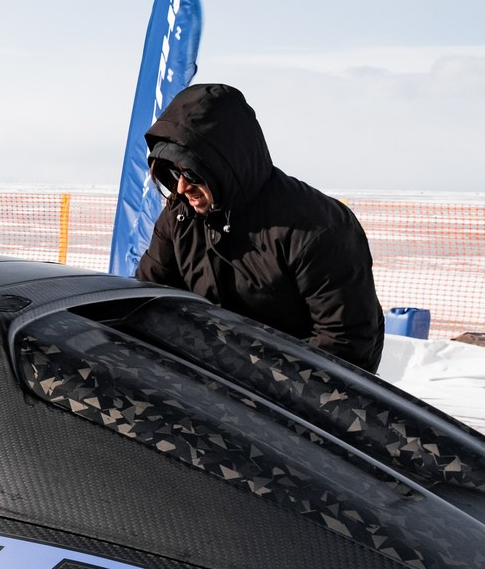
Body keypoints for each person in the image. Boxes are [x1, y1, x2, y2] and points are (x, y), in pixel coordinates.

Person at [133, 83, 385, 372]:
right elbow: (147, 299)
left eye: (192, 172)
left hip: (305, 383)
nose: (182, 186)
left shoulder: (315, 229)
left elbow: (345, 347)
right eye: (173, 171)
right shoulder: (180, 216)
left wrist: (254, 379)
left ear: (227, 165)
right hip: (217, 371)